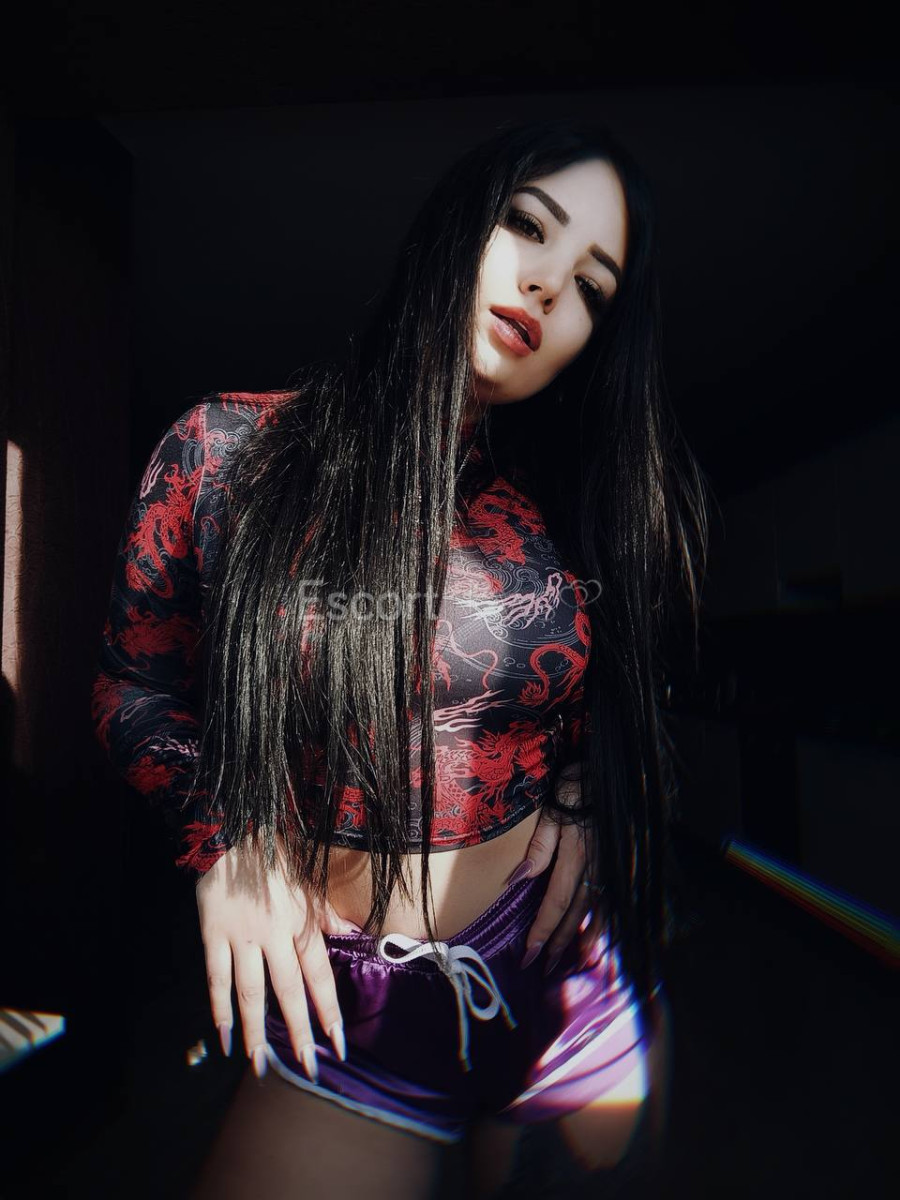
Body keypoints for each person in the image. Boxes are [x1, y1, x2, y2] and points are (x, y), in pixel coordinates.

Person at [91, 117, 708, 1198]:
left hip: (570, 980)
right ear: (455, 223)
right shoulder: (226, 451)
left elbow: (605, 697)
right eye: (529, 227)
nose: (550, 286)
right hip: (351, 1008)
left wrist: (581, 791)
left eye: (592, 287)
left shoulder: (570, 503)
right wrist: (225, 840)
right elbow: (132, 685)